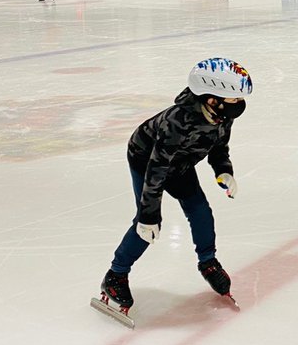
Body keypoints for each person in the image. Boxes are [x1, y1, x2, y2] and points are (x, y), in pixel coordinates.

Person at [95, 58, 249, 324]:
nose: (240, 105)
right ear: (211, 98)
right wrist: (147, 215)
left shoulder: (222, 116)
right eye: (234, 99)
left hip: (180, 162)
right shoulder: (177, 123)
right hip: (147, 160)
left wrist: (223, 170)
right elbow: (156, 172)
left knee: (201, 212)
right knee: (148, 226)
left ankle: (208, 262)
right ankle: (115, 275)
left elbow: (219, 147)